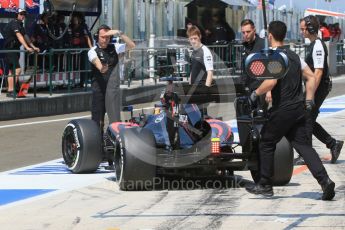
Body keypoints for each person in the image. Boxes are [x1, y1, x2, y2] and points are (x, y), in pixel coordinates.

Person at [246, 21, 335, 201]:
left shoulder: (275, 58)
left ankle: (265, 184)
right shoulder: (295, 57)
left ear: (270, 36)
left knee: (266, 142)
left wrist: (255, 94)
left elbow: (271, 82)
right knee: (303, 146)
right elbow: (310, 77)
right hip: (299, 108)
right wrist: (309, 100)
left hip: (283, 109)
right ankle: (325, 181)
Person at [295, 16, 343, 165]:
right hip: (316, 86)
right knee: (307, 118)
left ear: (310, 29)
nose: (301, 32)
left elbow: (319, 72)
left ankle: (306, 154)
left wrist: (310, 96)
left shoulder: (317, 46)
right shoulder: (312, 44)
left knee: (306, 118)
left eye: (303, 29)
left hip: (319, 86)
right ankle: (333, 144)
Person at [88, 24, 135, 131]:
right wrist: (102, 67)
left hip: (113, 91)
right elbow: (97, 64)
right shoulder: (92, 51)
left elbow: (132, 45)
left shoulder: (115, 47)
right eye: (102, 37)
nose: (105, 40)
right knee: (98, 122)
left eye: (107, 37)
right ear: (97, 37)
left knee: (115, 122)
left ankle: (114, 144)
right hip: (99, 91)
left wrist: (119, 33)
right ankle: (97, 144)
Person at [2, 8, 39, 97]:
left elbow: (25, 36)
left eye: (24, 14)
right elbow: (19, 36)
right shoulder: (14, 23)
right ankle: (11, 91)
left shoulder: (20, 24)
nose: (23, 16)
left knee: (12, 71)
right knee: (17, 70)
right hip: (10, 49)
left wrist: (33, 47)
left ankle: (10, 90)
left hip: (14, 49)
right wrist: (26, 47)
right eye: (21, 14)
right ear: (17, 14)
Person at [241, 19, 265, 90]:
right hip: (249, 86)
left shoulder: (263, 45)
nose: (245, 35)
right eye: (243, 32)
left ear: (254, 30)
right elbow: (244, 68)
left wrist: (268, 90)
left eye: (248, 32)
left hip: (261, 87)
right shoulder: (244, 46)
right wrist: (244, 83)